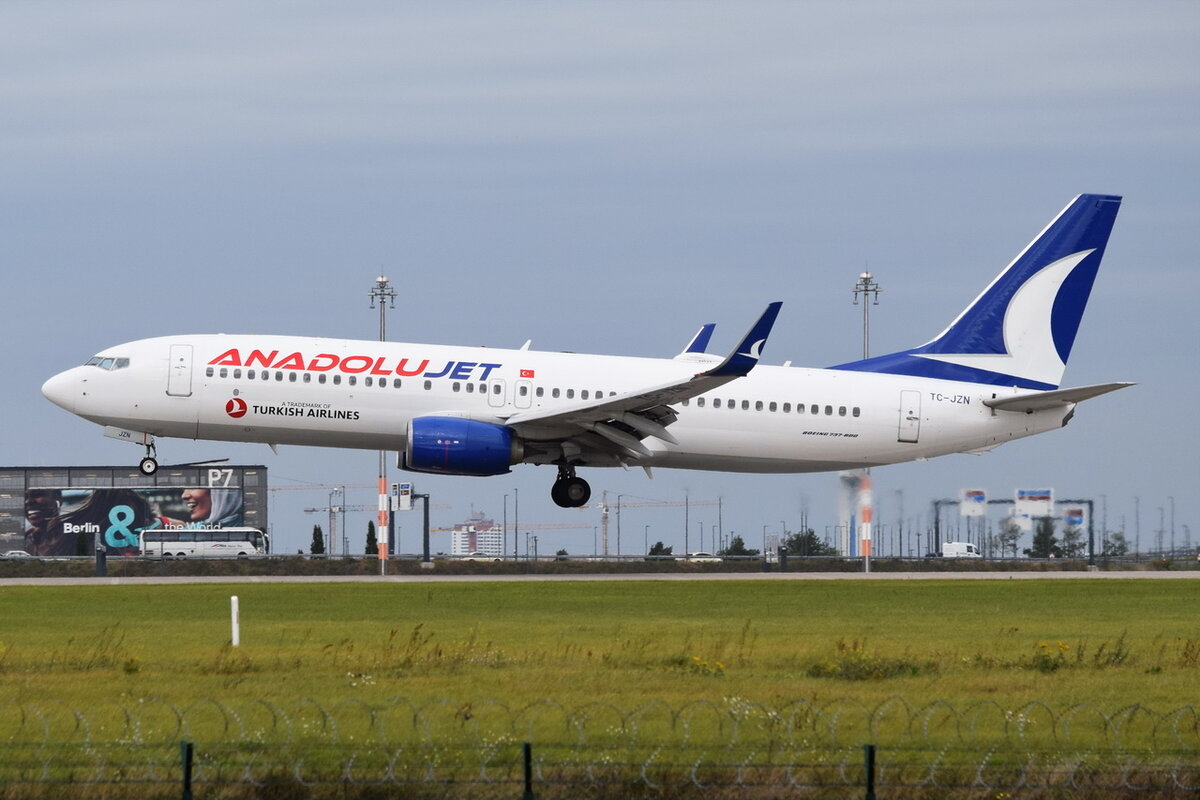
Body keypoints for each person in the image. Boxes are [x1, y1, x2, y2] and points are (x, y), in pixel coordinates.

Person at [23, 489, 66, 556]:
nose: (28, 501)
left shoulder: (72, 536)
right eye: (24, 497)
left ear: (58, 499)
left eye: (38, 495)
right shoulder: (26, 539)